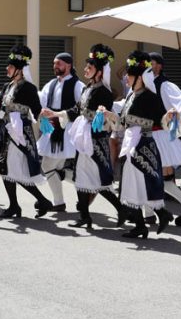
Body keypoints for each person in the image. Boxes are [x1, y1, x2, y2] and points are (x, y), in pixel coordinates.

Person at [42, 44, 125, 229]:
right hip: (83, 137)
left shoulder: (104, 91)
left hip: (96, 140)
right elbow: (76, 110)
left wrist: (96, 114)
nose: (86, 70)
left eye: (89, 67)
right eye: (86, 67)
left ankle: (121, 209)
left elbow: (102, 119)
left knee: (99, 179)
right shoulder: (87, 88)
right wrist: (55, 114)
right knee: (80, 177)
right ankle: (85, 217)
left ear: (99, 72)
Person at [101, 51, 171, 239]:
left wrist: (169, 117)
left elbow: (161, 121)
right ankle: (141, 225)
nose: (125, 78)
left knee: (143, 183)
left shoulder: (150, 96)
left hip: (143, 145)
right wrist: (110, 115)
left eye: (129, 76)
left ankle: (161, 214)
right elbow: (123, 123)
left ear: (139, 78)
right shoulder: (132, 96)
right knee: (131, 185)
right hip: (130, 143)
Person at [0, 45, 54, 219]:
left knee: (11, 171)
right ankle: (24, 204)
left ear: (19, 69)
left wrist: (45, 118)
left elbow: (37, 109)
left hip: (21, 135)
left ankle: (26, 204)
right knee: (7, 170)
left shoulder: (28, 88)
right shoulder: (7, 86)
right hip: (8, 133)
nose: (7, 68)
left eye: (10, 66)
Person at [148, 52, 181, 227]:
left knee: (149, 174)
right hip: (147, 134)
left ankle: (152, 213)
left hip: (158, 135)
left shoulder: (164, 85)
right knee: (153, 175)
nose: (149, 66)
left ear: (160, 66)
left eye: (152, 63)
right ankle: (180, 203)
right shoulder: (144, 83)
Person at [38, 52, 84, 213]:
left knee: (47, 165)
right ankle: (86, 188)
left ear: (68, 65)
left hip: (67, 130)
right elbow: (42, 101)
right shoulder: (51, 84)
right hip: (51, 129)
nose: (55, 66)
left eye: (58, 63)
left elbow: (82, 108)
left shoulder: (78, 85)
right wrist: (43, 111)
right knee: (55, 168)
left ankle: (60, 202)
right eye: (54, 63)